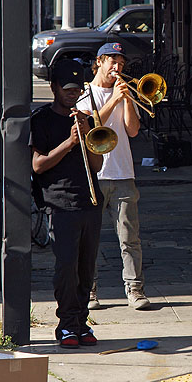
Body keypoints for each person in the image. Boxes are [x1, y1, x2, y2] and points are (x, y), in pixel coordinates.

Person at [31, 58, 103, 348]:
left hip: (89, 201)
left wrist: (86, 135)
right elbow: (37, 165)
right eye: (67, 89)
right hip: (59, 203)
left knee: (87, 268)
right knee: (66, 268)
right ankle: (66, 324)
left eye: (77, 89)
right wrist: (68, 143)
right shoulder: (41, 120)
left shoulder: (85, 119)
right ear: (54, 88)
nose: (72, 94)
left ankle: (81, 322)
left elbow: (96, 164)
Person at [77, 43, 150, 311]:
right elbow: (90, 128)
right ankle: (91, 291)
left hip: (123, 174)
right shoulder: (85, 93)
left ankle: (135, 289)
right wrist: (115, 100)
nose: (117, 69)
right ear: (99, 62)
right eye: (112, 62)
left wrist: (128, 100)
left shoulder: (124, 92)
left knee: (130, 238)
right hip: (95, 175)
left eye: (121, 64)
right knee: (89, 239)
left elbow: (132, 131)